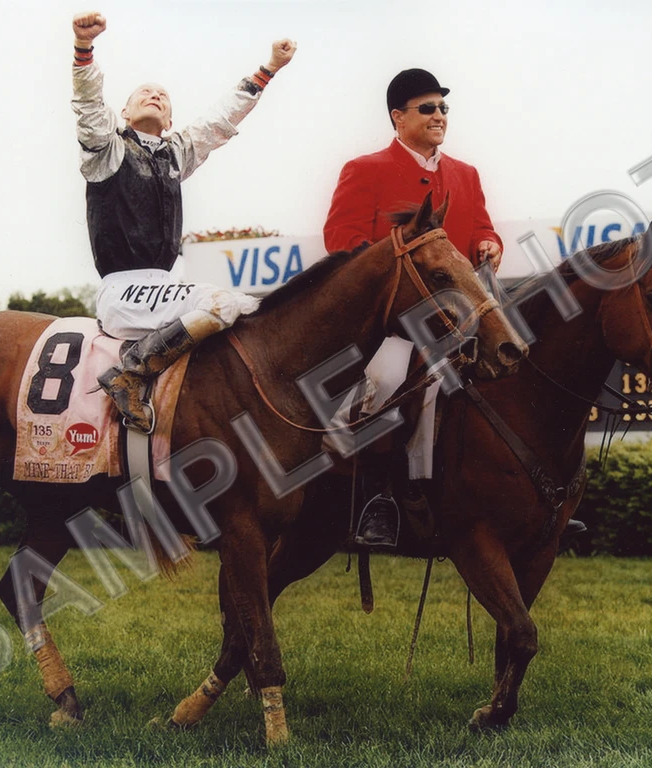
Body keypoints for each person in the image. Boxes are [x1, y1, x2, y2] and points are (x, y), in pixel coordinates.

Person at [325, 68, 585, 549]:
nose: (439, 115)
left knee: (518, 372)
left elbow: (482, 227)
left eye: (443, 107)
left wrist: (489, 243)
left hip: (461, 321)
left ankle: (533, 500)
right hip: (395, 325)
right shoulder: (364, 169)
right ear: (398, 117)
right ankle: (381, 496)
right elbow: (342, 240)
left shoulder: (465, 174)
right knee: (387, 381)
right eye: (427, 108)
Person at [71, 11, 296, 432]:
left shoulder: (175, 153)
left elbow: (219, 121)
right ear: (124, 111)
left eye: (163, 95)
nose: (155, 95)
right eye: (145, 92)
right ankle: (129, 374)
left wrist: (268, 69)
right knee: (222, 303)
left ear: (171, 121)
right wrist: (84, 48)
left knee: (253, 307)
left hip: (163, 286)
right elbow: (87, 107)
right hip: (122, 292)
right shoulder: (107, 149)